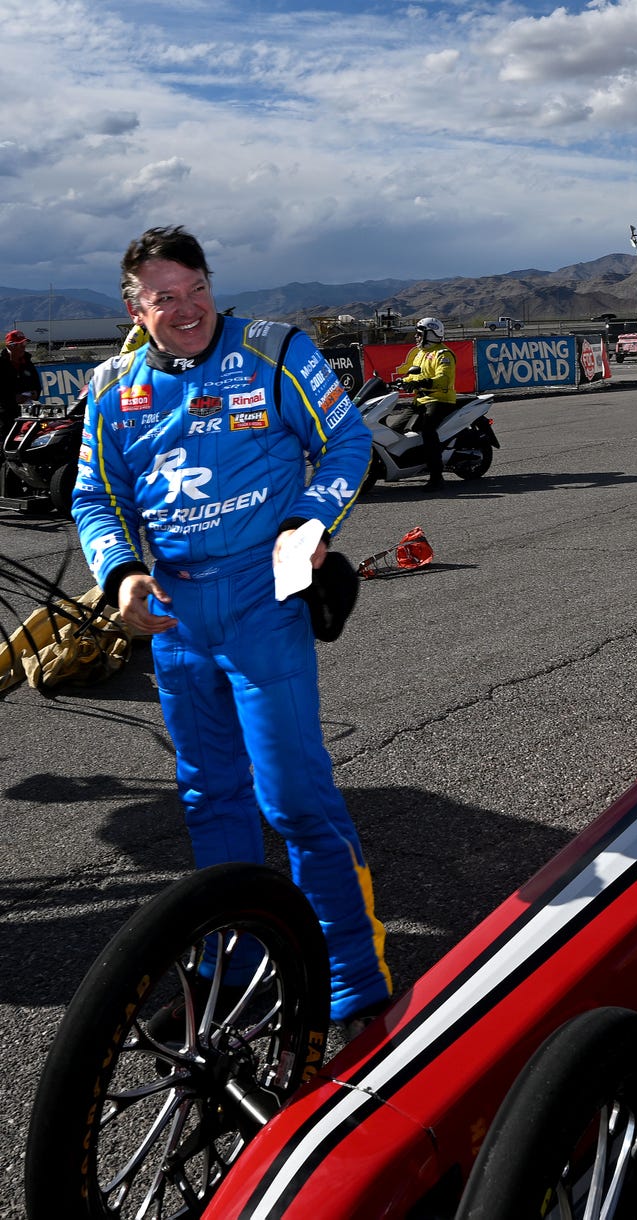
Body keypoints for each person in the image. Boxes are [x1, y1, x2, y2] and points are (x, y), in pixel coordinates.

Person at [72, 225, 391, 1035]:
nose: (188, 309)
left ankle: (354, 976)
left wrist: (309, 523)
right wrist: (119, 572)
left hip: (263, 599)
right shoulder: (113, 385)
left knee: (293, 799)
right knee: (210, 799)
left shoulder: (274, 349)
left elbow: (347, 442)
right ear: (135, 309)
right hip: (175, 614)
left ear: (214, 283)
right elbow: (93, 498)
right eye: (165, 298)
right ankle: (237, 970)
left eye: (197, 287)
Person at [388, 316, 457, 489]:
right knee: (394, 430)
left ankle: (436, 476)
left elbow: (444, 378)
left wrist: (423, 382)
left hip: (439, 399)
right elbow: (414, 375)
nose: (416, 337)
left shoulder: (443, 354)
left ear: (431, 334)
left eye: (420, 334)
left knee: (427, 430)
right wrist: (402, 381)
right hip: (420, 400)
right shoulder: (420, 354)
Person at [0, 329, 40, 440]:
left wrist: (34, 393)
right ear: (11, 346)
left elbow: (37, 385)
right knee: (5, 442)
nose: (24, 346)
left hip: (27, 413)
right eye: (20, 344)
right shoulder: (1, 363)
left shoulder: (27, 362)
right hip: (5, 415)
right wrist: (13, 399)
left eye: (25, 343)